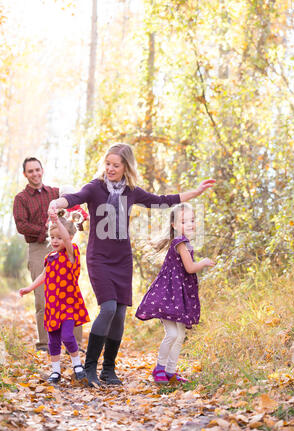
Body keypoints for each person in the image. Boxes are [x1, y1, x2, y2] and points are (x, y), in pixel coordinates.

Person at [48, 143, 216, 387]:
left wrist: (195, 193)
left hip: (122, 260)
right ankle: (90, 367)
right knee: (107, 309)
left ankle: (109, 369)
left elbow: (162, 200)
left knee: (119, 315)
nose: (111, 169)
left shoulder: (131, 191)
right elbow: (75, 197)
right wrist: (58, 203)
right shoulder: (95, 187)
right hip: (99, 259)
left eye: (116, 165)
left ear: (126, 166)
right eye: (108, 164)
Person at [136, 202, 215, 383]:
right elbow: (190, 268)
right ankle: (159, 369)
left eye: (192, 220)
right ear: (174, 225)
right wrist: (203, 262)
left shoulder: (184, 242)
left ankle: (170, 371)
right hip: (169, 295)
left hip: (178, 294)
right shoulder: (180, 242)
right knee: (173, 334)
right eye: (184, 221)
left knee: (180, 335)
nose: (189, 224)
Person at [19, 209, 90, 384]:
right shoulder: (50, 257)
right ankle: (56, 371)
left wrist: (56, 221)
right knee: (53, 341)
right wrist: (29, 288)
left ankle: (77, 365)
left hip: (68, 304)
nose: (56, 240)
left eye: (60, 237)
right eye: (53, 237)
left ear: (70, 237)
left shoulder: (71, 253)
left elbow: (66, 239)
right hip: (53, 305)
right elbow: (43, 275)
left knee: (67, 336)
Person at [13, 157, 59, 351]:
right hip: (38, 248)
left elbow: (72, 209)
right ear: (25, 174)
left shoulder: (56, 193)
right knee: (42, 297)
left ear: (42, 170)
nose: (35, 174)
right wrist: (45, 231)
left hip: (60, 247)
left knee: (67, 293)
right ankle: (44, 343)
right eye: (30, 171)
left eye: (37, 170)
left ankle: (73, 343)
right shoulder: (21, 198)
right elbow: (21, 225)